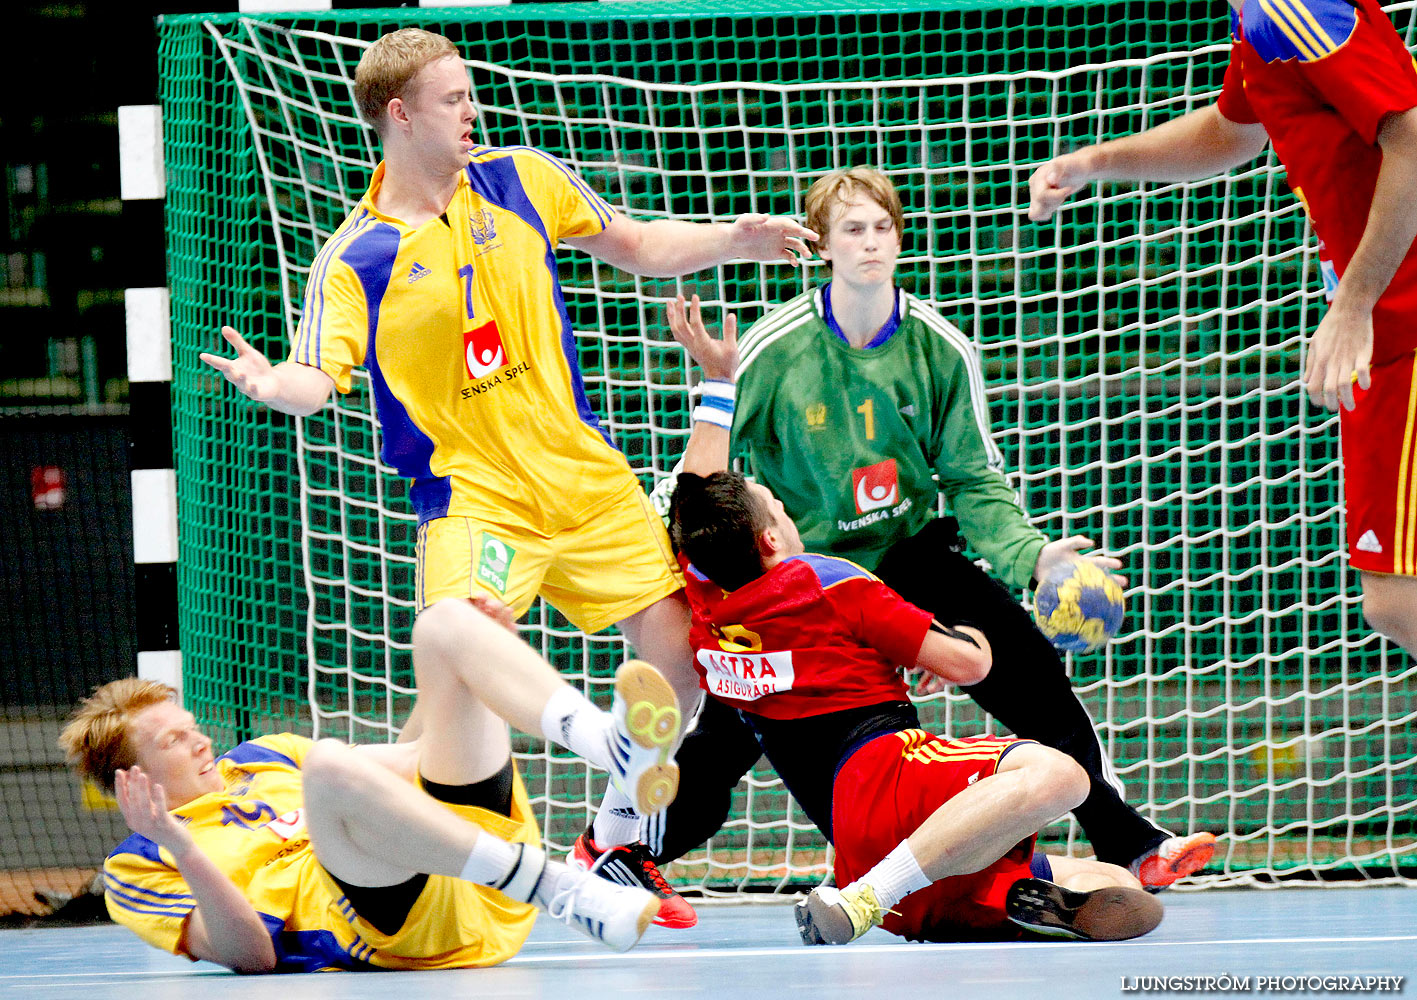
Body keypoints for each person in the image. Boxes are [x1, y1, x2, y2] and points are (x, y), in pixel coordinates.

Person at [199, 28, 814, 930]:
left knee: (684, 651)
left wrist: (734, 238)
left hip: (584, 478)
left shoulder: (522, 177)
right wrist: (271, 385)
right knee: (452, 680)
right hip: (473, 501)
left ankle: (612, 845)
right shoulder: (357, 255)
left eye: (471, 94)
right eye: (453, 99)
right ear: (400, 115)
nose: (473, 110)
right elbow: (316, 379)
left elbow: (635, 245)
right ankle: (355, 835)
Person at [629, 168, 1212, 891]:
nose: (869, 243)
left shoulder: (941, 347)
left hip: (906, 553)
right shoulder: (773, 350)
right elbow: (706, 475)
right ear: (821, 245)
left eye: (881, 227)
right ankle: (630, 854)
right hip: (803, 571)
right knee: (731, 725)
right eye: (851, 229)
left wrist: (1031, 558)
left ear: (899, 238)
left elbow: (971, 478)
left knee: (1028, 671)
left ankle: (1128, 841)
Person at [657, 296, 1163, 944]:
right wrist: (964, 631)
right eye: (777, 506)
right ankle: (879, 895)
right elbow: (970, 664)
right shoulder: (829, 582)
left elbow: (694, 493)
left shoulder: (706, 602)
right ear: (771, 541)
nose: (783, 509)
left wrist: (720, 384)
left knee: (1103, 883)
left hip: (854, 835)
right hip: (888, 777)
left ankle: (974, 890)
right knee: (1060, 775)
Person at [1027, 0, 1417, 657]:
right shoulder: (1257, 20)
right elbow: (1233, 130)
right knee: (1394, 600)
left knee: (1395, 600)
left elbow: (1410, 134)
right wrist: (1093, 163)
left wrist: (1351, 305)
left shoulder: (1288, 5)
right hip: (1383, 324)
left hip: (1397, 316)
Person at [58, 595, 685, 972]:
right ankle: (563, 889)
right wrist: (182, 844)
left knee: (443, 626)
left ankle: (610, 746)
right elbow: (252, 955)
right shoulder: (135, 868)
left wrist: (479, 674)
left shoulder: (260, 758)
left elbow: (404, 764)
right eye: (173, 741)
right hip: (392, 924)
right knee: (329, 765)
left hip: (479, 879)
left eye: (191, 726)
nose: (199, 741)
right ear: (129, 777)